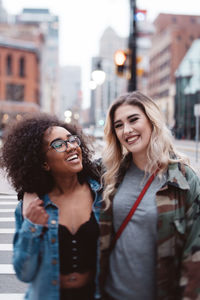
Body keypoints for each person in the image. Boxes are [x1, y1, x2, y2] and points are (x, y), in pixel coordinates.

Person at [99, 91, 200, 300]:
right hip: (111, 294)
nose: (127, 130)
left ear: (152, 121)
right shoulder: (110, 175)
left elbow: (195, 255)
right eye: (118, 125)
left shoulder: (183, 179)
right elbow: (62, 175)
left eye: (133, 119)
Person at [0, 113, 102, 300]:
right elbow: (25, 273)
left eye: (71, 140)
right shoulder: (32, 207)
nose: (71, 147)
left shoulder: (101, 194)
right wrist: (32, 226)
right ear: (44, 163)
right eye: (58, 144)